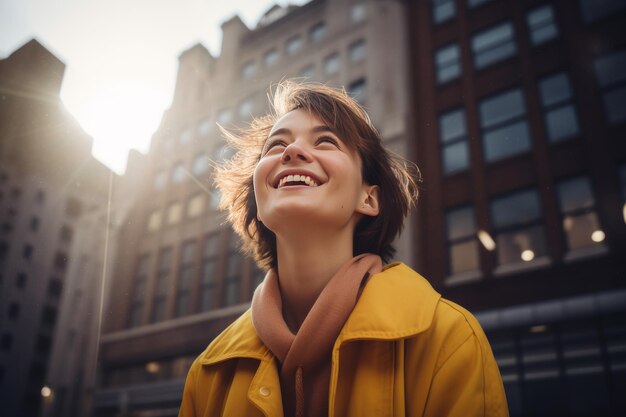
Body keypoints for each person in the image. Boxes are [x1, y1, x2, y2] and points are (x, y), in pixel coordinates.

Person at [178, 81, 509, 417]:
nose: (292, 152)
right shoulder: (208, 374)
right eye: (276, 145)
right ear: (258, 200)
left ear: (369, 198)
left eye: (325, 141)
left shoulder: (447, 340)